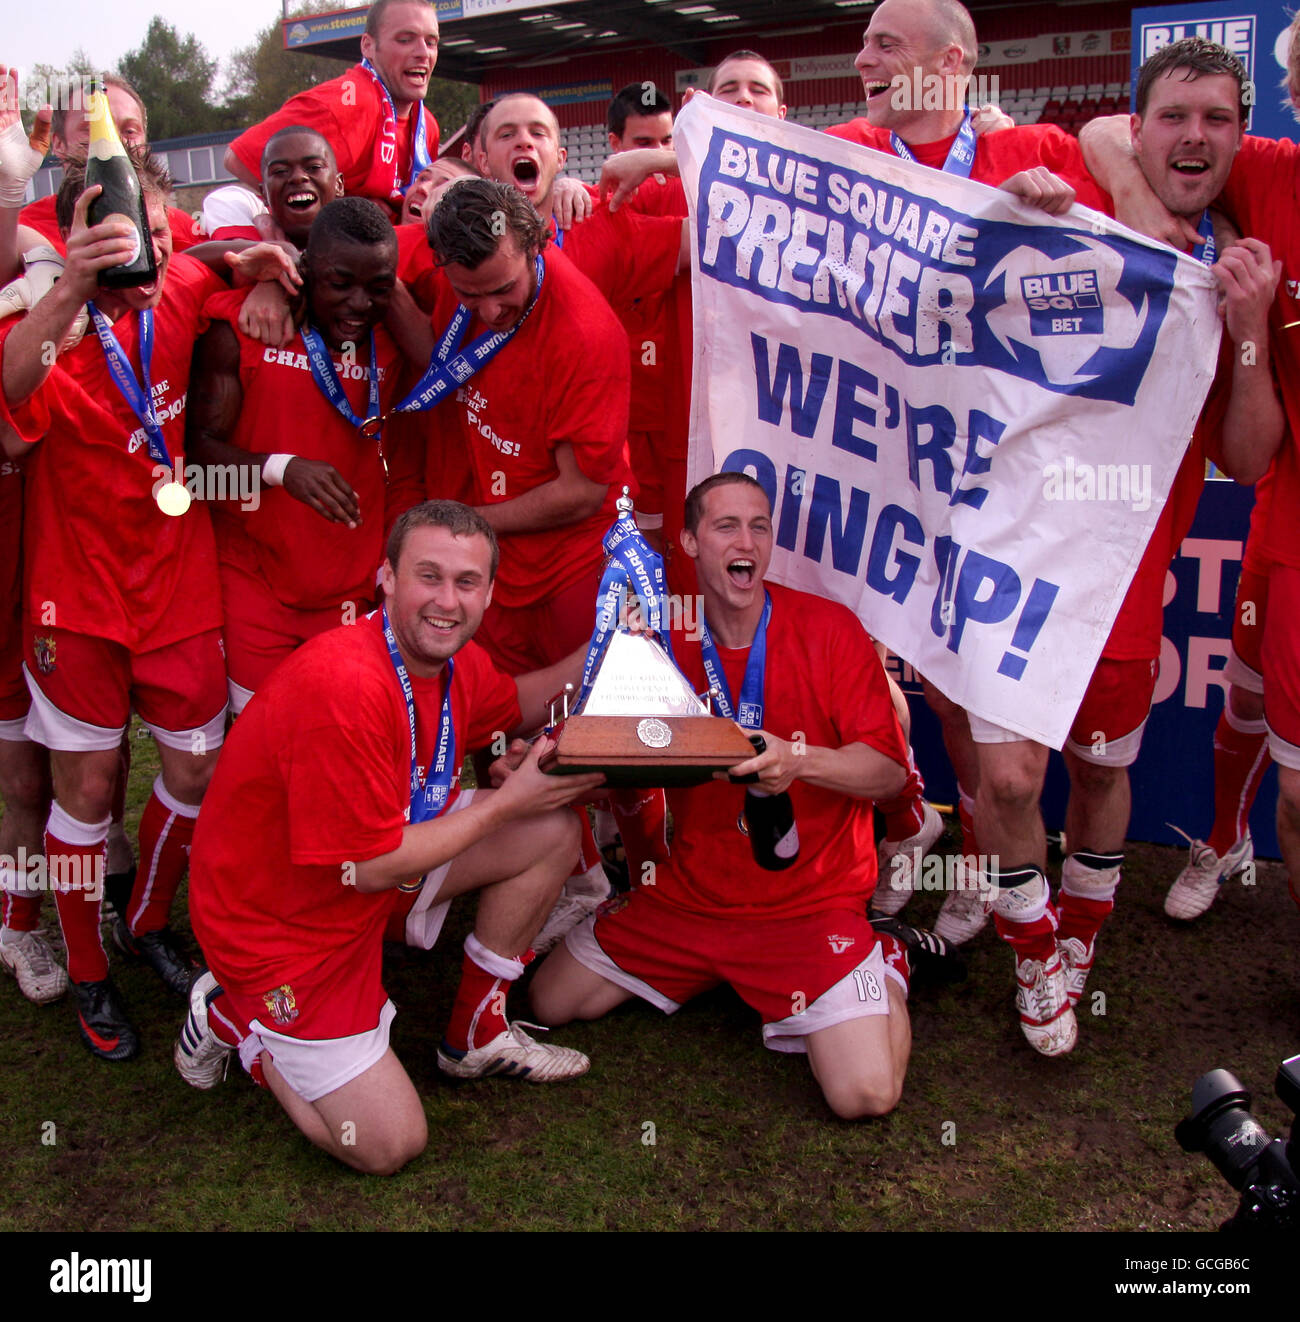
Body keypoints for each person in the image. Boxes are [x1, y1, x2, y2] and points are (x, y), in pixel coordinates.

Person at [175, 502, 603, 1175]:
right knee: (387, 1144)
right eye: (428, 576)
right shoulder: (344, 684)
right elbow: (368, 865)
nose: (446, 600)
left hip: (369, 866)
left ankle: (477, 1033)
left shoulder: (450, 663)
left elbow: (514, 702)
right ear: (386, 579)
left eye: (466, 583)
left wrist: (607, 643)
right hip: (281, 926)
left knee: (549, 828)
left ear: (489, 594)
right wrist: (502, 803)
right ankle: (241, 1024)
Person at [0, 149, 298, 1058]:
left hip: (177, 586)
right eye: (128, 247)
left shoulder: (181, 284)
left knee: (197, 773)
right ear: (82, 247)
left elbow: (238, 255)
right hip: (76, 601)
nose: (150, 262)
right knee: (83, 789)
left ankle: (150, 920)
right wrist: (75, 286)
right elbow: (9, 385)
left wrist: (262, 272)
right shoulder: (44, 326)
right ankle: (90, 973)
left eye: (160, 240)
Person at [530, 473, 916, 1120]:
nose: (747, 541)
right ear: (688, 541)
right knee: (550, 1002)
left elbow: (887, 776)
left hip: (809, 908)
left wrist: (798, 760)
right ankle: (720, 970)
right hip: (694, 899)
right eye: (726, 526)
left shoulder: (826, 627)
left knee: (865, 1095)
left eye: (759, 526)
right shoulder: (660, 636)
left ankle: (884, 961)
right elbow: (616, 753)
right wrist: (547, 754)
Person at [1080, 16, 1300, 916]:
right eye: (1184, 118)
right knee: (1270, 738)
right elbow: (1108, 131)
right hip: (1286, 516)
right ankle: (1220, 837)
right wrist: (1134, 196)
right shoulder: (1262, 169)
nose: (1196, 133)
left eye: (1215, 117)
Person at [188, 197, 421, 714]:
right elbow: (193, 475)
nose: (359, 303)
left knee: (339, 736)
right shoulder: (242, 329)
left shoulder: (393, 341)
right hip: (256, 584)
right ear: (305, 269)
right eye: (340, 283)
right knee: (263, 744)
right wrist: (281, 469)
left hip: (353, 586)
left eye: (378, 288)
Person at [224, 0, 441, 220]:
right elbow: (238, 158)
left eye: (431, 42)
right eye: (405, 40)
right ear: (368, 46)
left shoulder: (427, 126)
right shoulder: (349, 103)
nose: (423, 53)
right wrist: (339, 213)